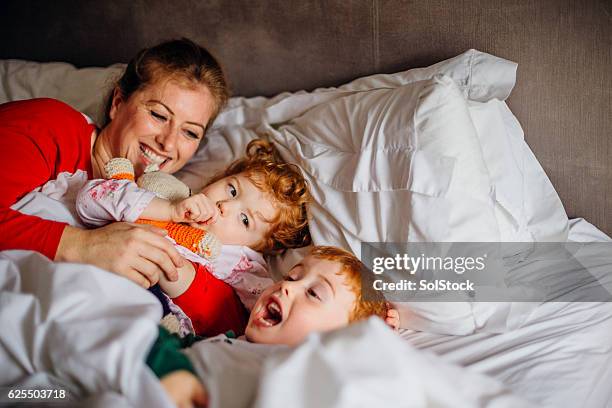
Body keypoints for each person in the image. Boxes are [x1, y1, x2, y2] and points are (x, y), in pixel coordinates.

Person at [0, 38, 229, 288]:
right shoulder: (50, 126)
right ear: (118, 103)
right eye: (158, 115)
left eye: (190, 132)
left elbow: (225, 313)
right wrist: (83, 245)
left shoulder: (168, 206)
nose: (169, 144)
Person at [77, 139, 312, 337]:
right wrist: (167, 209)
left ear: (258, 247)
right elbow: (88, 201)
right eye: (232, 190)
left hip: (154, 319)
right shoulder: (167, 196)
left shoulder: (241, 264)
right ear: (219, 178)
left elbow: (247, 324)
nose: (225, 207)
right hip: (97, 273)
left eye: (245, 220)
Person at [149, 246, 401, 407]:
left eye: (314, 293)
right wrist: (171, 368)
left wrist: (374, 338)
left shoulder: (305, 371)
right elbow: (152, 342)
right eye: (291, 276)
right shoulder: (222, 341)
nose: (288, 286)